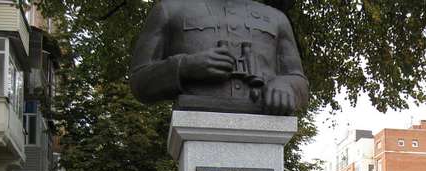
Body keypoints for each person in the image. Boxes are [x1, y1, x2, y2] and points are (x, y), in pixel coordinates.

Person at [129, 0, 309, 115]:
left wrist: (286, 85)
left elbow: (298, 79)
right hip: (196, 112)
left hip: (260, 117)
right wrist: (185, 67)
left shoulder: (277, 19)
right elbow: (139, 81)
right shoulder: (169, 10)